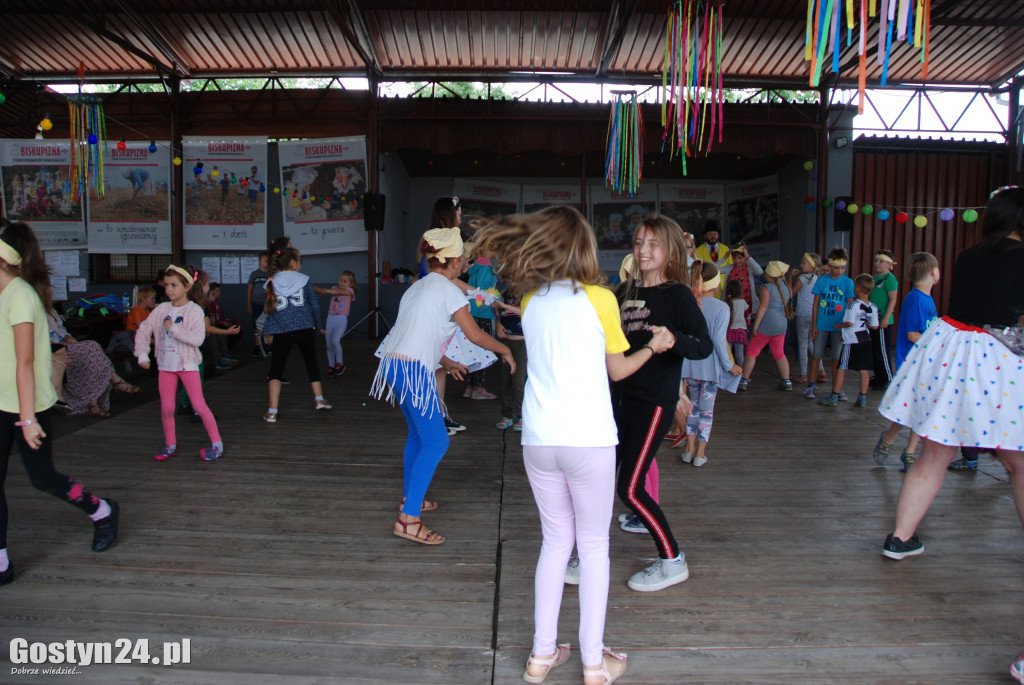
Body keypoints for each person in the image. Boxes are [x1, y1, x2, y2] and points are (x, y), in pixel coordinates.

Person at [474, 207, 673, 685]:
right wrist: (654, 346)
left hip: (539, 439)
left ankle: (542, 656)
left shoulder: (533, 298)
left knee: (555, 543)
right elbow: (619, 370)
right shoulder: (601, 299)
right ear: (582, 247)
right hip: (589, 440)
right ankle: (592, 662)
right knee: (595, 546)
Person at [874, 187, 1024, 684]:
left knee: (935, 452)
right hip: (996, 359)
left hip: (952, 348)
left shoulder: (968, 253)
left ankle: (899, 538)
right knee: (1017, 460)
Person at [370, 227, 513, 545]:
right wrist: (504, 349)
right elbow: (475, 334)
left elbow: (418, 330)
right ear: (455, 259)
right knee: (436, 442)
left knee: (419, 436)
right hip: (412, 369)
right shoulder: (448, 289)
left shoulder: (417, 288)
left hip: (394, 365)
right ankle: (408, 521)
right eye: (463, 255)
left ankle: (413, 501)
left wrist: (445, 361)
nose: (466, 261)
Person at [0, 220, 119, 586]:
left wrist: (27, 419)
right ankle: (1, 561)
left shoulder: (20, 295)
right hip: (1, 402)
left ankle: (102, 511)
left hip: (27, 406)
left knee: (43, 478)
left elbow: (24, 363)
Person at [612, 214, 712, 591]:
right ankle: (583, 553)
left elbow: (703, 345)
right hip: (618, 399)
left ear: (669, 251)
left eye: (653, 244)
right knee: (601, 480)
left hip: (653, 402)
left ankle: (672, 559)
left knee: (632, 489)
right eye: (639, 242)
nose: (643, 250)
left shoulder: (678, 295)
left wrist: (673, 339)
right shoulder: (623, 292)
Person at [135, 265, 224, 462]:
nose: (169, 289)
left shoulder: (194, 310)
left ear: (187, 286)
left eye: (174, 285)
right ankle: (170, 445)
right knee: (166, 408)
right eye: (166, 285)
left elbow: (198, 339)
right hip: (166, 366)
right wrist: (142, 354)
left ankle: (217, 444)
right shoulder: (161, 309)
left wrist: (174, 329)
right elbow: (144, 329)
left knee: (199, 406)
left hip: (188, 365)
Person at [871, 252, 940, 470]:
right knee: (909, 409)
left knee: (923, 408)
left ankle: (910, 450)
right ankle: (889, 438)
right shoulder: (916, 299)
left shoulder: (927, 298)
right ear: (932, 272)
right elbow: (913, 335)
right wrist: (939, 342)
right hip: (912, 364)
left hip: (926, 363)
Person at [678, 260, 742, 467]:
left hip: (690, 365)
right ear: (716, 282)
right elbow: (718, 341)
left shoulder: (688, 302)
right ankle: (700, 453)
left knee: (693, 407)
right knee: (707, 411)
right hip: (711, 366)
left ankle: (688, 448)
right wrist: (729, 365)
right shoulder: (722, 308)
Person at [262, 247, 331, 422]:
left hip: (281, 331)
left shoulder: (271, 282)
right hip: (305, 328)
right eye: (299, 261)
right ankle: (319, 399)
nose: (300, 264)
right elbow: (314, 306)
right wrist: (319, 325)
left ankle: (272, 411)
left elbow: (269, 311)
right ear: (293, 262)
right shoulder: (304, 280)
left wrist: (267, 332)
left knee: (276, 370)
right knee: (311, 362)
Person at [47, 311, 140, 416]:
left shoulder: (53, 311)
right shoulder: (36, 311)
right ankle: (115, 383)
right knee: (92, 348)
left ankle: (96, 402)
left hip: (64, 344)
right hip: (52, 347)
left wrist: (67, 336)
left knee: (93, 351)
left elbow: (62, 331)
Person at [818, 273, 878, 408]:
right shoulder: (873, 307)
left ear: (858, 288)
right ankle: (862, 398)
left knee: (842, 367)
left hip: (852, 340)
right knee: (864, 370)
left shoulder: (853, 305)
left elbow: (850, 323)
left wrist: (839, 326)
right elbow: (874, 326)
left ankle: (834, 395)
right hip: (865, 339)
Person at [805, 247, 856, 400]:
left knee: (837, 358)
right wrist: (814, 325)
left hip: (839, 327)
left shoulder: (848, 283)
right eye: (836, 268)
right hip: (821, 324)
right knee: (816, 355)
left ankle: (837, 388)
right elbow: (815, 303)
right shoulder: (822, 280)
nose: (839, 271)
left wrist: (846, 328)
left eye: (842, 268)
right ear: (830, 266)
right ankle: (811, 385)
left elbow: (850, 306)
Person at [739, 261, 792, 392]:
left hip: (767, 323)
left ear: (770, 275)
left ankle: (744, 380)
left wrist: (755, 326)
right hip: (782, 323)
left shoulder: (766, 288)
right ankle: (787, 381)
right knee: (779, 353)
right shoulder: (786, 287)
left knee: (752, 352)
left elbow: (763, 307)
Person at [463, 249, 499, 399]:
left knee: (472, 351)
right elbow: (484, 292)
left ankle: (470, 387)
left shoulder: (475, 266)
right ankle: (478, 389)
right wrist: (495, 303)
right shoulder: (486, 267)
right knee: (483, 350)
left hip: (471, 311)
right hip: (482, 312)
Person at [495, 292, 527, 432]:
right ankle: (506, 415)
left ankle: (522, 416)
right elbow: (499, 315)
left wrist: (505, 306)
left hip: (522, 344)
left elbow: (526, 312)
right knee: (504, 381)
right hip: (506, 343)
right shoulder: (505, 294)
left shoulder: (528, 294)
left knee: (519, 381)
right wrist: (498, 324)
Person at [869, 249, 899, 390]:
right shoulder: (874, 278)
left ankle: (887, 377)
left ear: (889, 264)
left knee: (882, 350)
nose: (877, 263)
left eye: (881, 261)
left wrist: (886, 318)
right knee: (875, 350)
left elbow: (893, 299)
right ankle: (879, 376)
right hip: (873, 320)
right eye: (876, 260)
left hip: (882, 321)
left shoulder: (890, 279)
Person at [789, 253, 821, 383]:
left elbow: (791, 293)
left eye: (804, 263)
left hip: (802, 314)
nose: (801, 265)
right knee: (812, 344)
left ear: (811, 265)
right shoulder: (818, 279)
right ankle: (822, 371)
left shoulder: (802, 278)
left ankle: (803, 374)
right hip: (814, 314)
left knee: (803, 344)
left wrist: (790, 277)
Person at [720, 244, 763, 328]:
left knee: (745, 329)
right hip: (731, 306)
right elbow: (715, 269)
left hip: (747, 306)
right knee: (731, 328)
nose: (737, 261)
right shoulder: (729, 268)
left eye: (740, 258)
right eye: (734, 258)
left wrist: (748, 256)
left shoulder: (749, 267)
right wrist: (724, 258)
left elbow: (760, 271)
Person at [324, 270, 357, 377]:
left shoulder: (349, 291)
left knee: (335, 340)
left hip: (341, 318)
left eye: (345, 281)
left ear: (350, 284)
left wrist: (324, 290)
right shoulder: (334, 288)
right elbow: (331, 292)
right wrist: (321, 291)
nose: (341, 283)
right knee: (329, 343)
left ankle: (340, 363)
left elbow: (338, 293)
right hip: (331, 318)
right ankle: (331, 365)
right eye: (340, 280)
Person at [246, 251, 272, 357]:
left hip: (268, 305)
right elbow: (250, 290)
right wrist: (249, 304)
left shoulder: (271, 274)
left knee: (267, 326)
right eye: (265, 261)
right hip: (256, 303)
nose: (267, 263)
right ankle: (257, 347)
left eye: (268, 261)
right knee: (257, 326)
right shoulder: (254, 274)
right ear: (260, 261)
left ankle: (267, 346)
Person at [723, 279, 748, 366]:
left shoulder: (726, 303)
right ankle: (742, 371)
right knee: (739, 354)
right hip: (740, 330)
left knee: (728, 352)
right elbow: (746, 309)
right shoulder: (742, 302)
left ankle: (728, 368)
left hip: (729, 330)